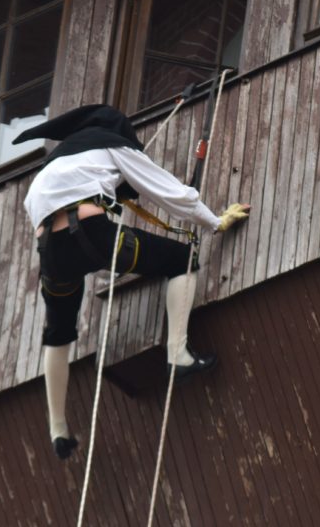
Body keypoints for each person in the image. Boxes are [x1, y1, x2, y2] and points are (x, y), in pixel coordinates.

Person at [14, 104, 250, 460]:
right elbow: (170, 193)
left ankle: (58, 430)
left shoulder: (50, 170)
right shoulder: (111, 143)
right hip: (92, 234)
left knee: (58, 332)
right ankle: (178, 356)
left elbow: (66, 198)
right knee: (180, 259)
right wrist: (214, 222)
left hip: (51, 254)